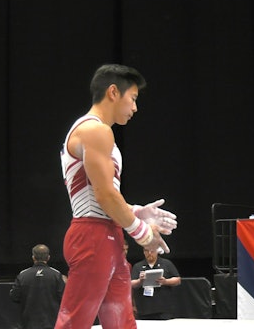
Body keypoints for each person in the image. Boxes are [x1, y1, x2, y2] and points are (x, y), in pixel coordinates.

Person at [55, 64, 178, 329]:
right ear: (113, 92)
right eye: (132, 98)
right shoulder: (95, 131)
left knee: (122, 323)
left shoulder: (100, 134)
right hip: (92, 236)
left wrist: (134, 211)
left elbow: (101, 194)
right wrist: (143, 233)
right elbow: (105, 197)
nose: (135, 107)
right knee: (75, 323)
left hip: (107, 235)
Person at [10, 244, 66, 329]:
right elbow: (64, 298)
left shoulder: (23, 275)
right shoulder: (56, 275)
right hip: (51, 323)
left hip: (28, 324)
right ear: (48, 257)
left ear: (33, 257)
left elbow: (14, 296)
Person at [131, 248, 181, 320]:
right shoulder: (138, 266)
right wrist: (140, 281)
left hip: (163, 309)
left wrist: (165, 281)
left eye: (152, 250)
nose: (149, 253)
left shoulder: (167, 263)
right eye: (147, 251)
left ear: (157, 251)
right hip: (144, 309)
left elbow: (177, 280)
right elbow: (132, 284)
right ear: (143, 252)